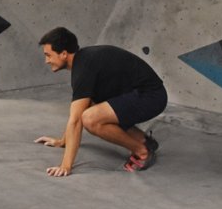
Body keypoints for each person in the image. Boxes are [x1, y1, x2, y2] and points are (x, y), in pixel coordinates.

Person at [34, 27, 167, 176]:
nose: (46, 61)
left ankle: (142, 151)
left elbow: (76, 120)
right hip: (142, 94)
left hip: (151, 97)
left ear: (64, 54)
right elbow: (77, 111)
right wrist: (62, 141)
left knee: (91, 119)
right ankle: (143, 140)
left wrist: (65, 166)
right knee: (90, 107)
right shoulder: (83, 62)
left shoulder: (84, 68)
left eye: (48, 55)